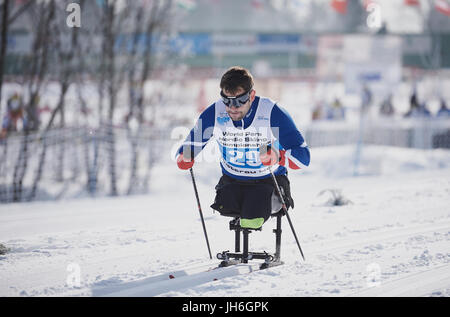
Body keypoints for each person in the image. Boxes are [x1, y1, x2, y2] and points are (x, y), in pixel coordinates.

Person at [176, 66, 310, 229]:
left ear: (251, 95)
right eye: (227, 100)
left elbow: (303, 157)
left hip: (268, 181)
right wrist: (184, 156)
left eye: (239, 101)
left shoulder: (271, 112)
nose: (232, 107)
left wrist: (278, 157)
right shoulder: (215, 113)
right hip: (232, 180)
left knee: (253, 213)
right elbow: (192, 144)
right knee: (227, 206)